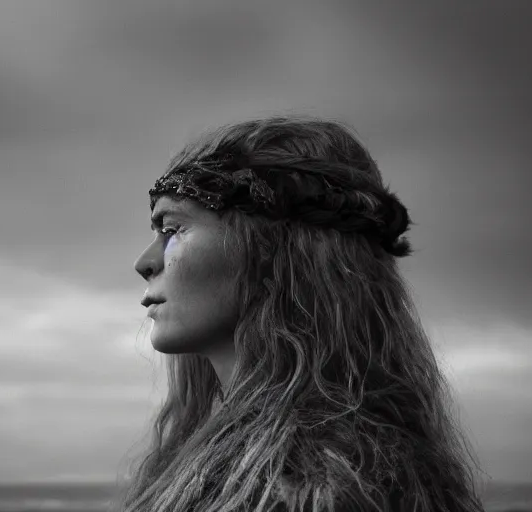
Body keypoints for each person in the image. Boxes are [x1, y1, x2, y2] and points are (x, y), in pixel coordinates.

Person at [120, 116, 484, 511]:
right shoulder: (300, 465)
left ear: (271, 249)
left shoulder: (314, 485)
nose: (144, 262)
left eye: (172, 229)